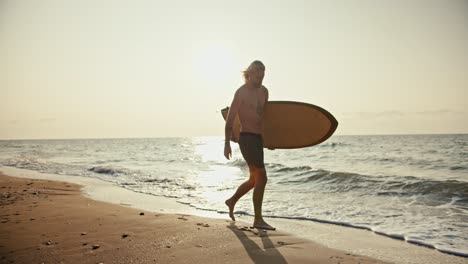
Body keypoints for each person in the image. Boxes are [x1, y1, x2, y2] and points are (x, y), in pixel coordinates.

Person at [224, 60, 275, 230]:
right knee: (262, 176)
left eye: (263, 73)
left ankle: (231, 201)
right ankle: (258, 219)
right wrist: (227, 144)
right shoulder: (241, 92)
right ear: (250, 73)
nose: (260, 77)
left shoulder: (264, 92)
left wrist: (272, 140)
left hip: (258, 139)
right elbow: (230, 119)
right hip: (246, 138)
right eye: (257, 73)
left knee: (254, 179)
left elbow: (264, 119)